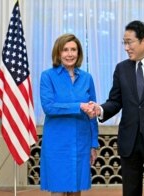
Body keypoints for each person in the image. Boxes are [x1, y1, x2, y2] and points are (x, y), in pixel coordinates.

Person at [82, 20, 144, 196]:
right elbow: (115, 101)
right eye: (124, 43)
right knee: (130, 191)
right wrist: (100, 109)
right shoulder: (121, 69)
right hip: (129, 141)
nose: (126, 47)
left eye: (129, 42)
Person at [39, 33, 99, 196]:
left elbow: (92, 113)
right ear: (58, 53)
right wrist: (79, 106)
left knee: (76, 190)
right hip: (57, 144)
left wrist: (93, 144)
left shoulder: (87, 78)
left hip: (81, 143)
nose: (70, 54)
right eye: (65, 50)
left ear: (79, 53)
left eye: (73, 49)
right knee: (58, 191)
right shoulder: (48, 76)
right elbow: (49, 107)